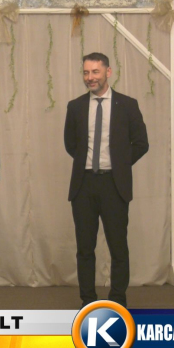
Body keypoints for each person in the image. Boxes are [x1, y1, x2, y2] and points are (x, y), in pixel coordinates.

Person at [64, 52, 148, 308]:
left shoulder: (128, 105)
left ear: (108, 72)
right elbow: (71, 144)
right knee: (85, 248)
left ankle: (118, 300)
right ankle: (88, 301)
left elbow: (141, 143)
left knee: (118, 248)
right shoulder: (75, 106)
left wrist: (119, 164)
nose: (90, 77)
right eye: (86, 72)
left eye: (95, 72)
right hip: (84, 185)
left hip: (114, 184)